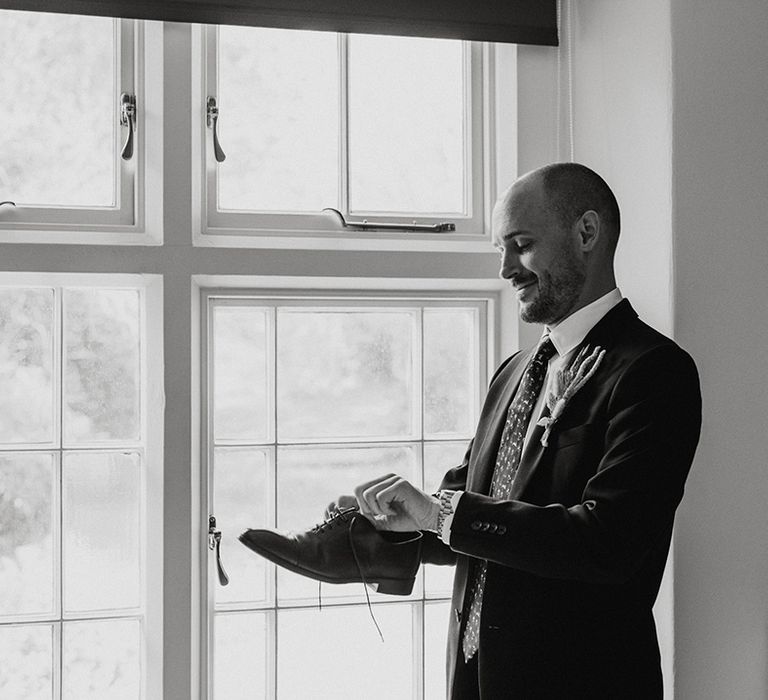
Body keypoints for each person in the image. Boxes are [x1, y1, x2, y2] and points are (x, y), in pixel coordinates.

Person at [329, 163, 702, 698]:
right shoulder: (513, 372)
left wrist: (442, 513)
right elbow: (474, 521)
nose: (506, 269)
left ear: (587, 234)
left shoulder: (653, 371)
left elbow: (609, 543)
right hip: (476, 679)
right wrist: (396, 521)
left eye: (521, 245)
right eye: (500, 251)